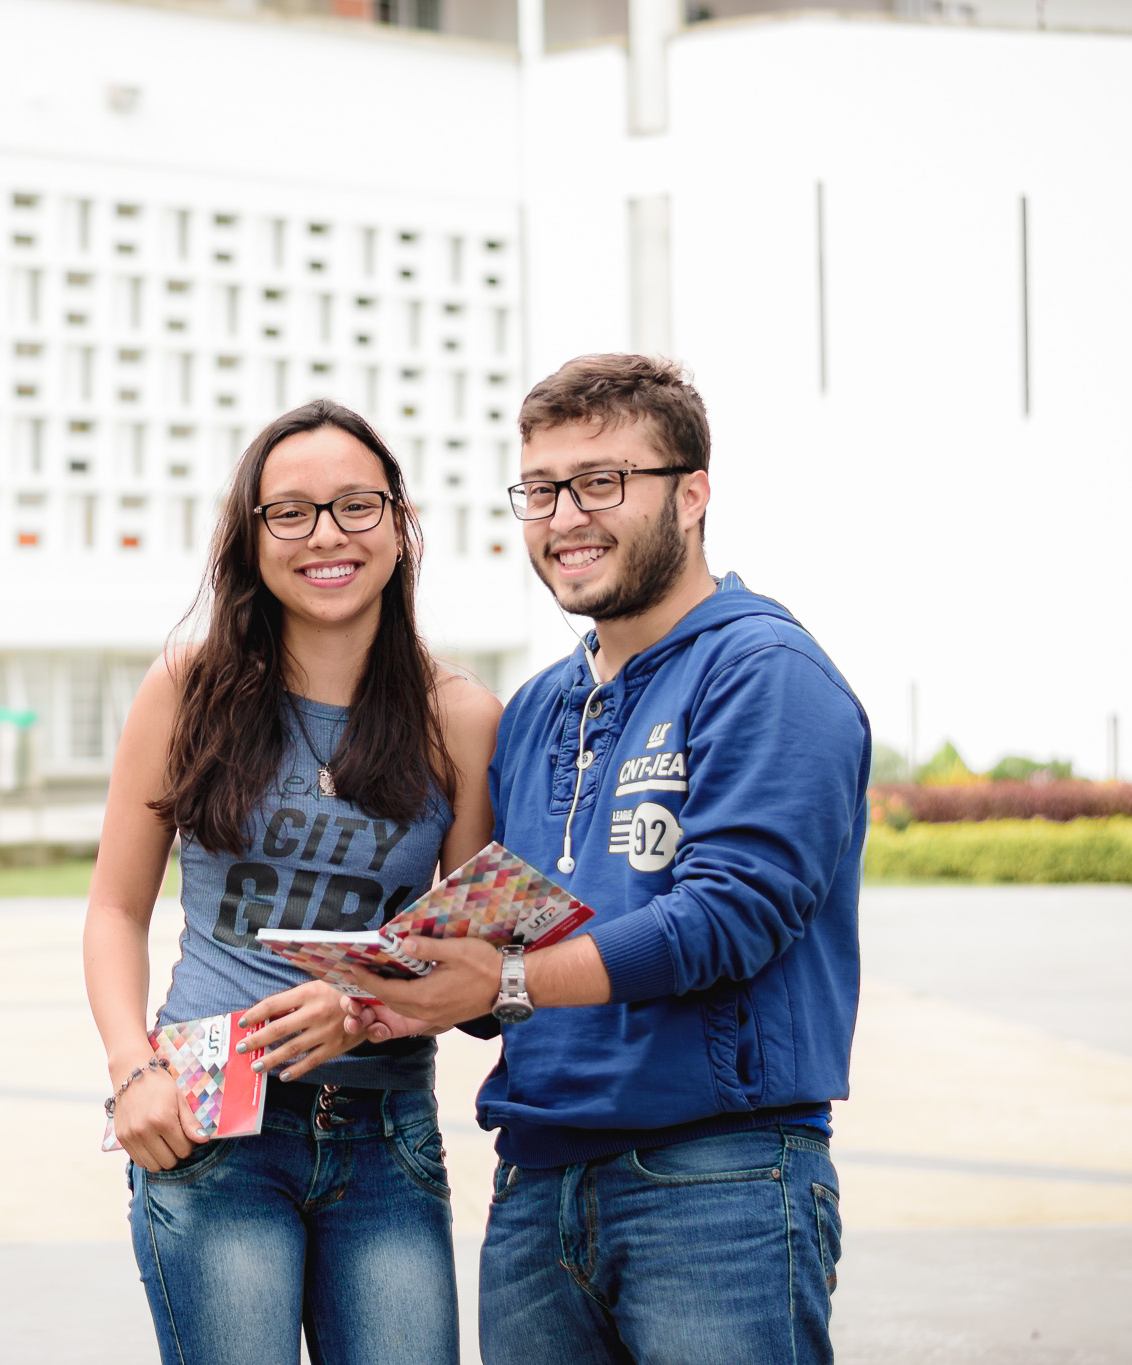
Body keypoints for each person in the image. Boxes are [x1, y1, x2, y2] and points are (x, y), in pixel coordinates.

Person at [353, 355, 869, 1364]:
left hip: (716, 1177)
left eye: (600, 482)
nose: (564, 516)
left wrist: (500, 975)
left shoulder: (763, 671)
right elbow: (505, 931)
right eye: (540, 490)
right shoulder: (540, 705)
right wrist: (395, 987)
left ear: (690, 494)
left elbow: (729, 917)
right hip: (535, 1180)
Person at [82, 399, 501, 1365]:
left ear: (400, 525)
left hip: (384, 1133)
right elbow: (114, 907)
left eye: (357, 506)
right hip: (207, 1124)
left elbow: (472, 956)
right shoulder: (186, 691)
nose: (327, 536)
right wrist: (130, 1071)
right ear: (252, 535)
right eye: (292, 512)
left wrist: (365, 1003)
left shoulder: (463, 718)